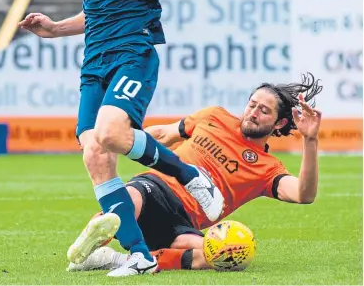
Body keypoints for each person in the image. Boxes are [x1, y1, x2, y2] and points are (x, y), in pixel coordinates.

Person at [18, 0, 280, 277]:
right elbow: (96, 13)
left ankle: (190, 175)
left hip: (132, 53)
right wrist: (55, 29)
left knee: (110, 132)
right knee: (95, 152)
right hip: (95, 63)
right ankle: (140, 255)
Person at [67, 74, 323, 275]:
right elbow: (162, 135)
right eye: (252, 105)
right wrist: (121, 139)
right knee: (130, 201)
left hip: (184, 223)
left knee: (225, 255)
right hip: (157, 188)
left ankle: (117, 259)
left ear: (279, 123)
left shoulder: (268, 168)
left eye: (264, 111)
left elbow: (304, 194)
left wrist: (310, 140)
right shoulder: (215, 117)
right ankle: (102, 231)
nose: (253, 113)